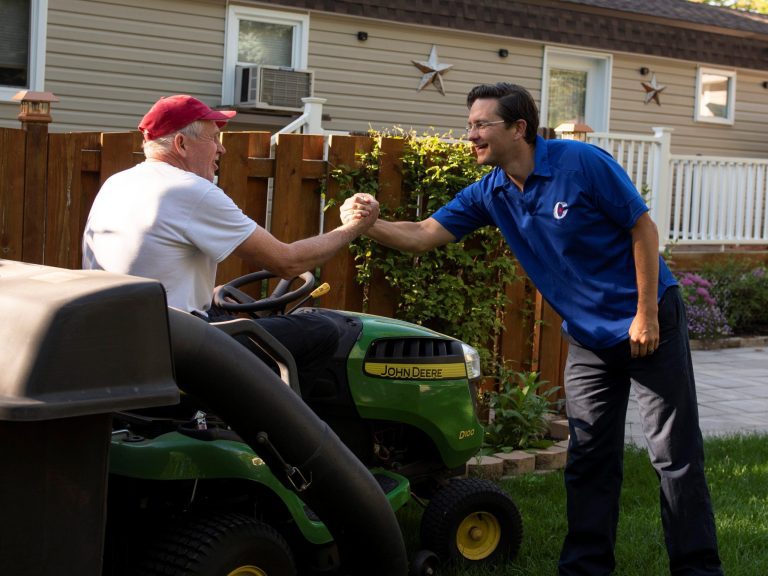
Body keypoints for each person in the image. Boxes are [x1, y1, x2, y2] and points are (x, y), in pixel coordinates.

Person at [341, 83, 722, 576]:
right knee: (588, 457)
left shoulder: (581, 164)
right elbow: (423, 235)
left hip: (647, 321)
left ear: (518, 128)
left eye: (481, 125)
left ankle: (698, 569)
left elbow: (642, 229)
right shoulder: (491, 190)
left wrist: (646, 313)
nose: (470, 135)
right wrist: (369, 224)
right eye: (470, 124)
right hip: (588, 337)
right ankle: (585, 568)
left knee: (674, 456)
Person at [83, 94, 378, 384]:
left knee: (223, 298)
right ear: (181, 143)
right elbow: (289, 262)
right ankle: (279, 429)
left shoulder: (119, 182)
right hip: (176, 348)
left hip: (125, 338)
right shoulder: (189, 190)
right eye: (214, 139)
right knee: (320, 330)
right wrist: (353, 227)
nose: (221, 150)